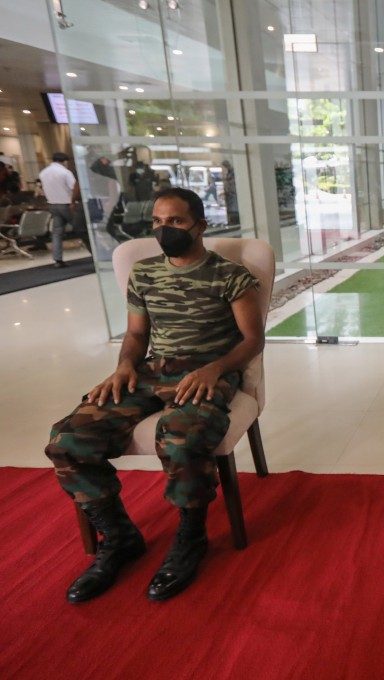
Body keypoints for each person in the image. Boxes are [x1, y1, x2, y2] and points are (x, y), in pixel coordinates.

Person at [44, 187, 264, 604]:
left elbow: (253, 340)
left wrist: (216, 368)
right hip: (150, 372)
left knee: (181, 436)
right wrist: (124, 366)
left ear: (200, 225)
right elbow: (136, 334)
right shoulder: (144, 273)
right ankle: (119, 536)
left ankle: (191, 536)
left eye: (176, 221)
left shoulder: (229, 275)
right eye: (159, 222)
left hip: (208, 373)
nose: (165, 230)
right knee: (67, 440)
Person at [38, 151, 78, 268]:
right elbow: (73, 187)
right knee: (82, 228)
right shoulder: (65, 172)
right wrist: (74, 202)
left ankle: (58, 259)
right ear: (65, 161)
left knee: (57, 233)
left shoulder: (43, 173)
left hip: (52, 205)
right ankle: (95, 254)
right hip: (66, 204)